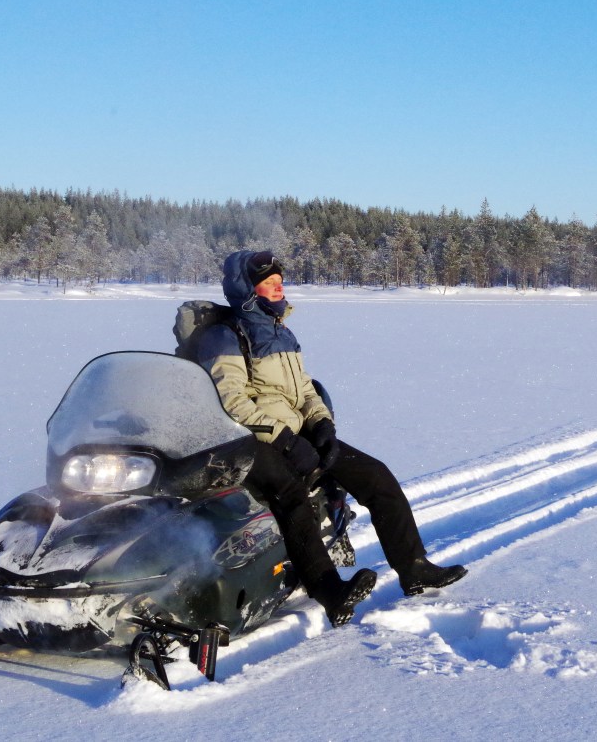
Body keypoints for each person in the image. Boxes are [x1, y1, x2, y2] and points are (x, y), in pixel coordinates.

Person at [196, 250, 466, 626]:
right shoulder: (224, 337)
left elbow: (305, 389)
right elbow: (232, 403)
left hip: (297, 431)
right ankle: (329, 591)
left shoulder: (279, 330)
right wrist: (285, 441)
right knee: (291, 493)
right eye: (268, 282)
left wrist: (321, 424)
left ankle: (414, 567)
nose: (278, 287)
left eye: (280, 281)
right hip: (252, 439)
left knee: (376, 476)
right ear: (247, 289)